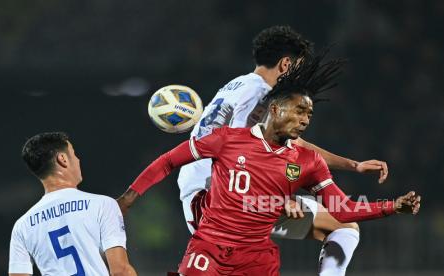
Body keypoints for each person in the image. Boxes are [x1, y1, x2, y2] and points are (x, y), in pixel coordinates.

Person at [118, 53, 421, 275]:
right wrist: (130, 196)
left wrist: (389, 203)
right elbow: (199, 155)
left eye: (309, 115)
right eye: (299, 111)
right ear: (275, 106)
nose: (304, 120)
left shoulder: (302, 156)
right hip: (211, 213)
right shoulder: (245, 115)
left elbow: (339, 204)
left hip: (241, 230)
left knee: (344, 225)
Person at [179, 25, 386, 275]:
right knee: (343, 225)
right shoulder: (260, 92)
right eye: (300, 66)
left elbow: (293, 144)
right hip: (219, 199)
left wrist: (353, 165)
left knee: (342, 225)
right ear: (287, 64)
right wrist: (280, 197)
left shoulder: (237, 85)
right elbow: (237, 149)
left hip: (206, 193)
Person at [9, 132, 137, 276]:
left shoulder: (22, 226)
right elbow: (121, 271)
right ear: (62, 159)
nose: (78, 159)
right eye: (74, 154)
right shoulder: (103, 205)